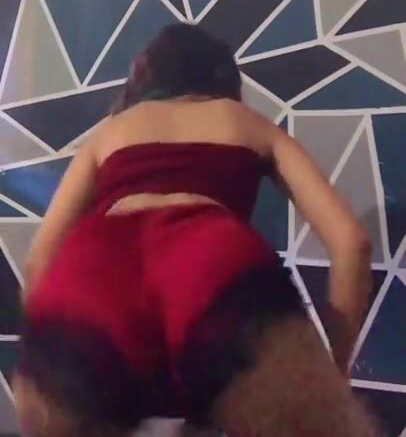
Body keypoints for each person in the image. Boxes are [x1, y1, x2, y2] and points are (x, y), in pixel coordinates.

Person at [14, 23, 379, 437]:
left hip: (98, 267)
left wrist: (47, 355)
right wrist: (333, 370)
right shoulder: (248, 123)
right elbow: (352, 243)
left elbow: (39, 261)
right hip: (210, 262)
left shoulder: (111, 132)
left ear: (144, 72)